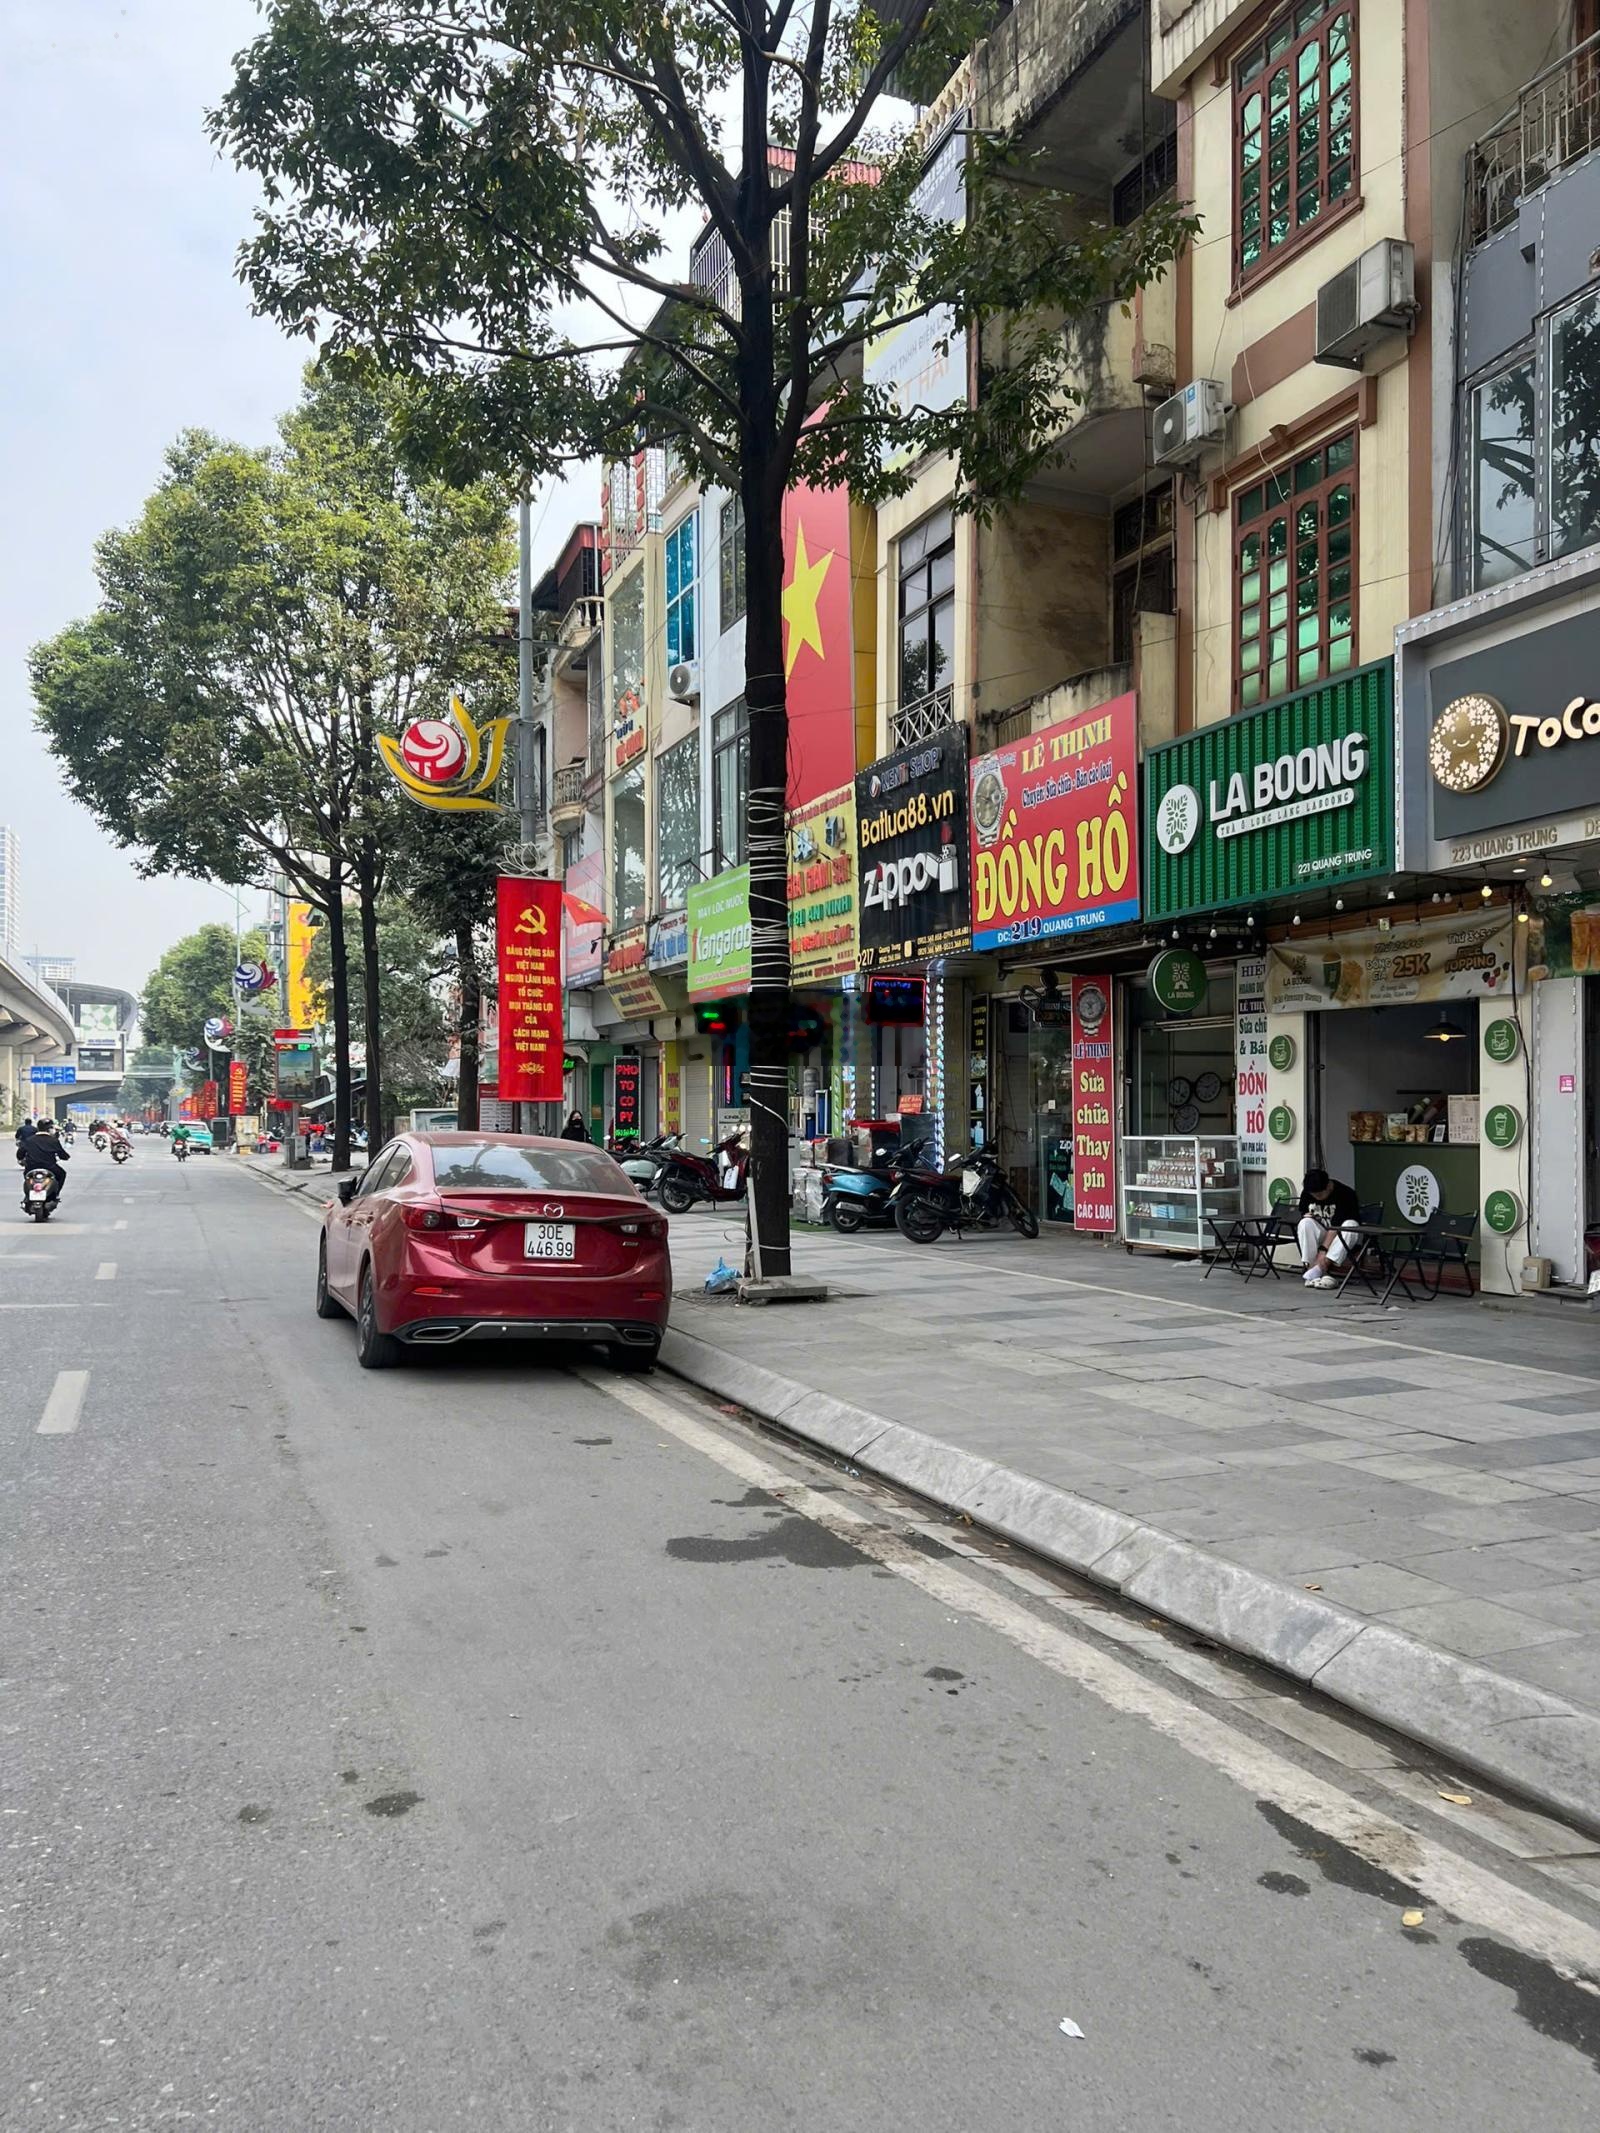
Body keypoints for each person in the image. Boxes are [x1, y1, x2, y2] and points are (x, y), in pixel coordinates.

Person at [1297, 1165, 1362, 1289]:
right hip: (1320, 1233)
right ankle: (1311, 1267)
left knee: (1351, 1225)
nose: (1316, 1197)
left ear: (1328, 1186)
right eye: (1313, 1195)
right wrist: (1308, 1216)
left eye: (1319, 1195)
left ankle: (1320, 1268)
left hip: (1339, 1237)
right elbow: (1302, 1212)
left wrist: (1323, 1251)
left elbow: (1336, 1226)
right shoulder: (1308, 1192)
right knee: (1305, 1223)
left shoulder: (1345, 1193)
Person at [18, 1117, 69, 1204]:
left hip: (31, 1167)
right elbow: (63, 1155)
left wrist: (22, 1159)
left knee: (27, 1177)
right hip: (50, 1167)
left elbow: (20, 1153)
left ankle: (27, 1195)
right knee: (62, 1174)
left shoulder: (29, 1140)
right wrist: (65, 1157)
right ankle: (55, 1194)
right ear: (49, 1129)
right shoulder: (53, 1141)